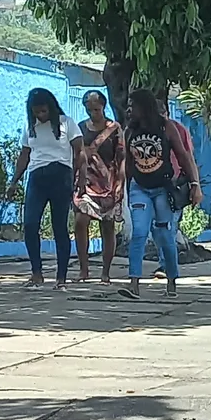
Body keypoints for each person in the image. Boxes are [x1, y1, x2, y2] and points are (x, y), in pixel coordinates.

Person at [118, 90, 201, 300]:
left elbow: (183, 156)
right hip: (140, 188)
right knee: (139, 232)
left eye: (133, 105)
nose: (129, 110)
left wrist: (194, 184)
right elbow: (127, 163)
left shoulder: (166, 127)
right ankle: (134, 283)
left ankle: (172, 279)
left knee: (164, 235)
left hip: (163, 189)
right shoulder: (130, 131)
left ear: (144, 107)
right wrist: (124, 189)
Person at [7, 88, 86, 290]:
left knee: (59, 228)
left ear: (50, 107)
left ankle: (61, 277)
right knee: (31, 225)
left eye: (43, 111)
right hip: (36, 178)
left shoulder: (66, 123)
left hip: (61, 176)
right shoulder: (30, 127)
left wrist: (80, 178)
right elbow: (24, 155)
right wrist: (14, 181)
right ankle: (37, 273)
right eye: (36, 112)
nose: (40, 115)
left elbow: (80, 152)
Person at [73, 91, 124, 284]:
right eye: (89, 109)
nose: (92, 112)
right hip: (85, 181)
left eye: (96, 109)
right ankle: (84, 269)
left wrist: (120, 182)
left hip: (108, 183)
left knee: (108, 226)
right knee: (80, 220)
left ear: (103, 107)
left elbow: (121, 157)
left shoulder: (114, 128)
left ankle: (106, 272)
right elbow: (76, 155)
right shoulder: (80, 128)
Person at [153, 101, 197, 280]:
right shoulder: (144, 130)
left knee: (169, 226)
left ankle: (166, 266)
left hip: (174, 185)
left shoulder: (178, 129)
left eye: (163, 113)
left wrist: (195, 185)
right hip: (151, 185)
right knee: (154, 228)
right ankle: (166, 263)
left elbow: (188, 157)